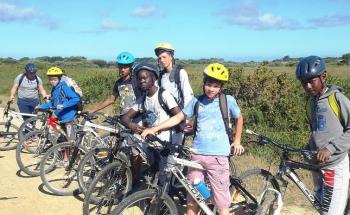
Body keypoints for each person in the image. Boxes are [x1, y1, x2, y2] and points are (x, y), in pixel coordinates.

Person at [141, 63, 244, 215]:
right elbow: (178, 117)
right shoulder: (196, 101)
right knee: (193, 199)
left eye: (215, 86)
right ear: (204, 84)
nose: (211, 89)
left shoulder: (227, 100)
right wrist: (155, 128)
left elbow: (239, 118)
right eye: (209, 84)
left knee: (222, 203)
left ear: (221, 87)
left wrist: (237, 141)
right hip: (196, 156)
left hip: (218, 157)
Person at [296, 55, 350, 215]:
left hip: (335, 165)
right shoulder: (312, 102)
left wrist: (331, 148)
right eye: (303, 82)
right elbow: (317, 132)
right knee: (323, 208)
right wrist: (308, 148)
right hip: (318, 167)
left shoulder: (336, 98)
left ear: (323, 77)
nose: (307, 86)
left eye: (311, 81)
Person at [121, 62, 181, 185]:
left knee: (165, 178)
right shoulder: (142, 99)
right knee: (155, 171)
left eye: (145, 77)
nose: (141, 81)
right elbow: (126, 118)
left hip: (166, 142)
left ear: (153, 78)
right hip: (152, 142)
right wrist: (132, 126)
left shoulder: (163, 95)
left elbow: (178, 115)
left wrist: (157, 128)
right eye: (139, 79)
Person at [37, 67, 80, 164]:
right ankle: (67, 158)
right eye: (51, 79)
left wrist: (64, 105)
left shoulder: (63, 88)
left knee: (71, 141)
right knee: (65, 139)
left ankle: (79, 160)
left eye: (54, 79)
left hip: (69, 117)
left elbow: (75, 99)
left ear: (59, 79)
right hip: (61, 118)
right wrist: (41, 106)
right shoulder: (54, 89)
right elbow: (53, 104)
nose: (52, 81)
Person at [154, 42, 194, 144]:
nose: (162, 60)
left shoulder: (180, 73)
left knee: (175, 149)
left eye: (164, 57)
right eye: (160, 58)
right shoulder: (160, 76)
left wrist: (187, 118)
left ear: (171, 56)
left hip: (179, 116)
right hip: (164, 117)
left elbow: (187, 95)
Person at [86, 51, 141, 116]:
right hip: (124, 116)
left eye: (125, 67)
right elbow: (111, 100)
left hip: (138, 117)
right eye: (121, 66)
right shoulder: (118, 83)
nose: (122, 69)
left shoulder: (137, 80)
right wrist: (92, 110)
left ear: (130, 67)